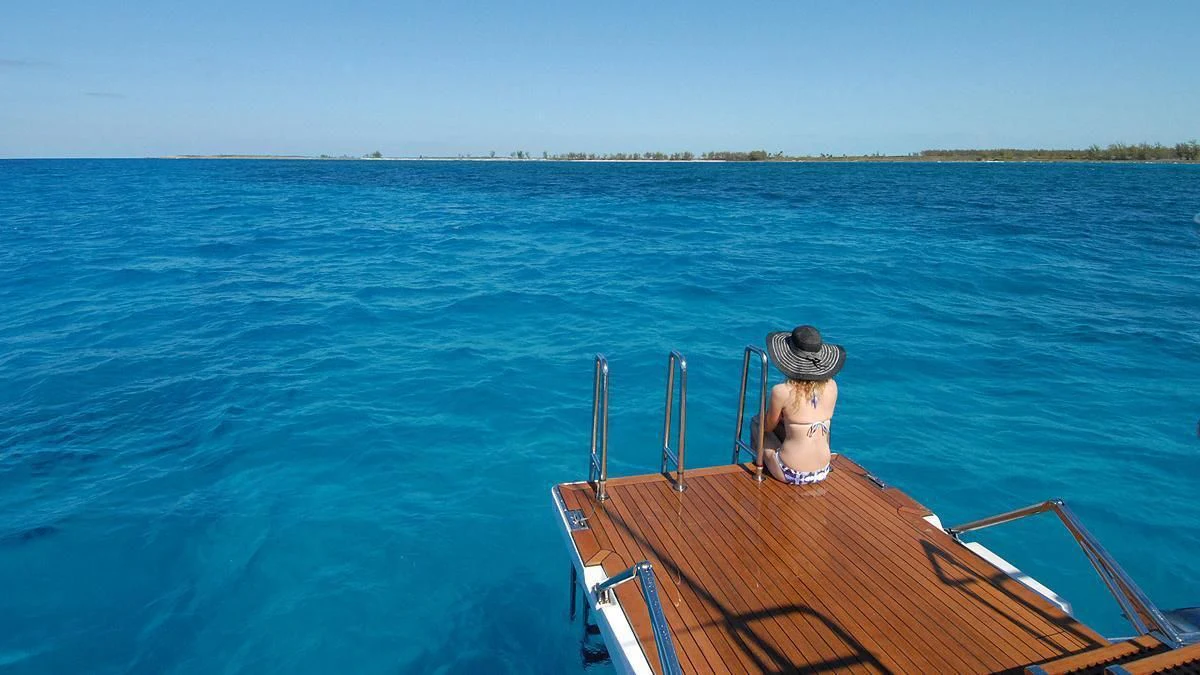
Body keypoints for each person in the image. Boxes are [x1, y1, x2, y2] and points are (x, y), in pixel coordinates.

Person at [753, 325, 845, 486]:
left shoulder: (781, 391)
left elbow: (767, 427)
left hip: (790, 473)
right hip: (823, 470)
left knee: (756, 423)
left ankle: (758, 470)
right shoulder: (832, 386)